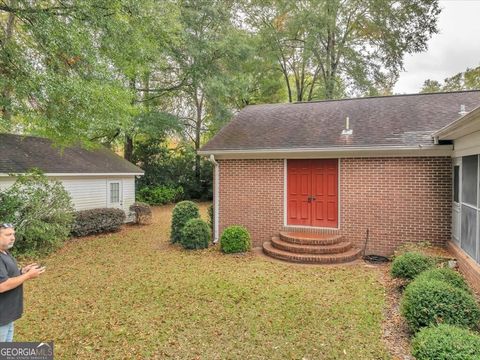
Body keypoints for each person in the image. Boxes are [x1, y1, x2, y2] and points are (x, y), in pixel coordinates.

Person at [0, 223, 45, 342]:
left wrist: (22, 271)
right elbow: (2, 285)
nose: (13, 237)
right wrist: (28, 275)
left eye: (13, 234)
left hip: (7, 315)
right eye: (8, 234)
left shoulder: (5, 252)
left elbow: (6, 275)